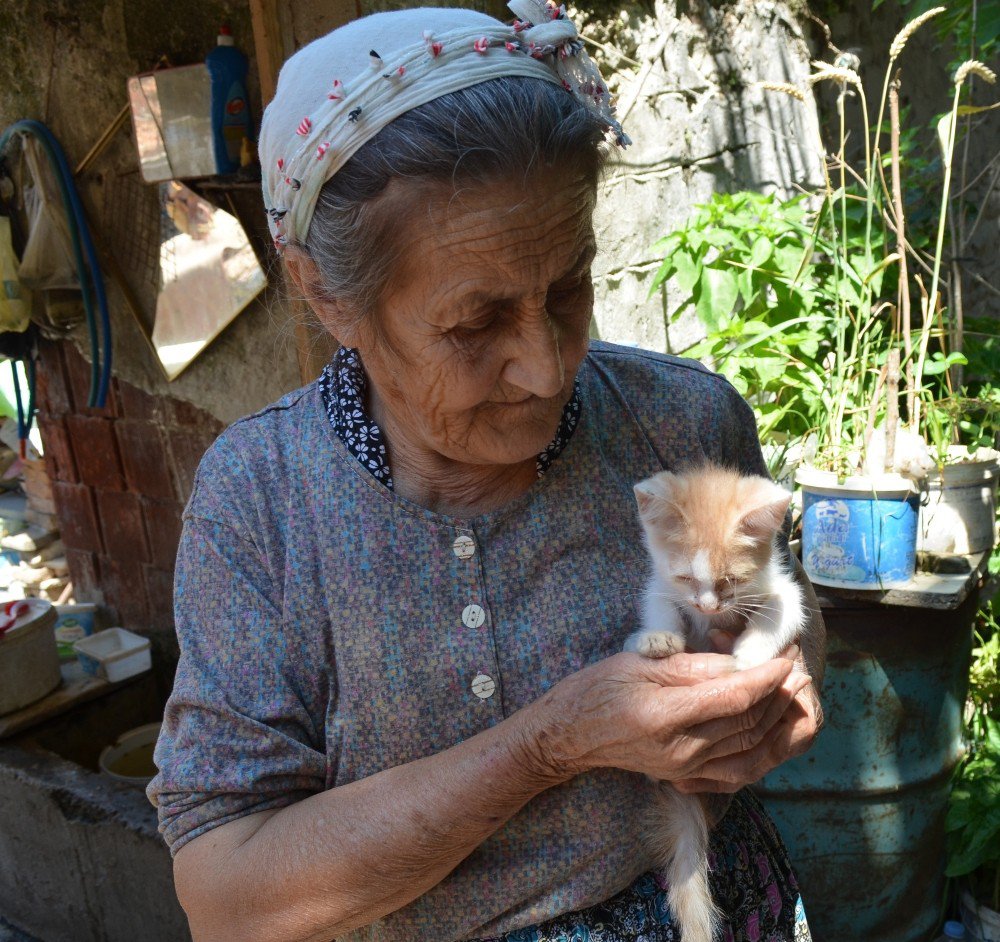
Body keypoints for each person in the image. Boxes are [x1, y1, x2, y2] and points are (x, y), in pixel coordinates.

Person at [147, 4, 825, 941]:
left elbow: (791, 626)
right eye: (475, 325)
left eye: (569, 288)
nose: (548, 368)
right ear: (325, 294)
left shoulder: (681, 418)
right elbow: (228, 899)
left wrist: (766, 695)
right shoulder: (260, 503)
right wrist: (549, 743)